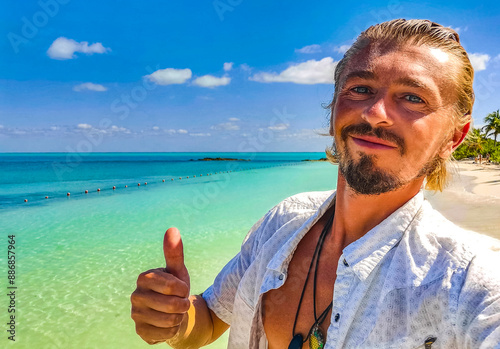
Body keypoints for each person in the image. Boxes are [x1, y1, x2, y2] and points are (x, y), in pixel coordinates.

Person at [130, 19, 500, 348]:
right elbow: (209, 320)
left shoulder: (468, 282)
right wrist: (173, 321)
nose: (374, 113)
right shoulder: (283, 221)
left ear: (454, 136)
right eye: (360, 88)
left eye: (412, 98)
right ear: (334, 106)